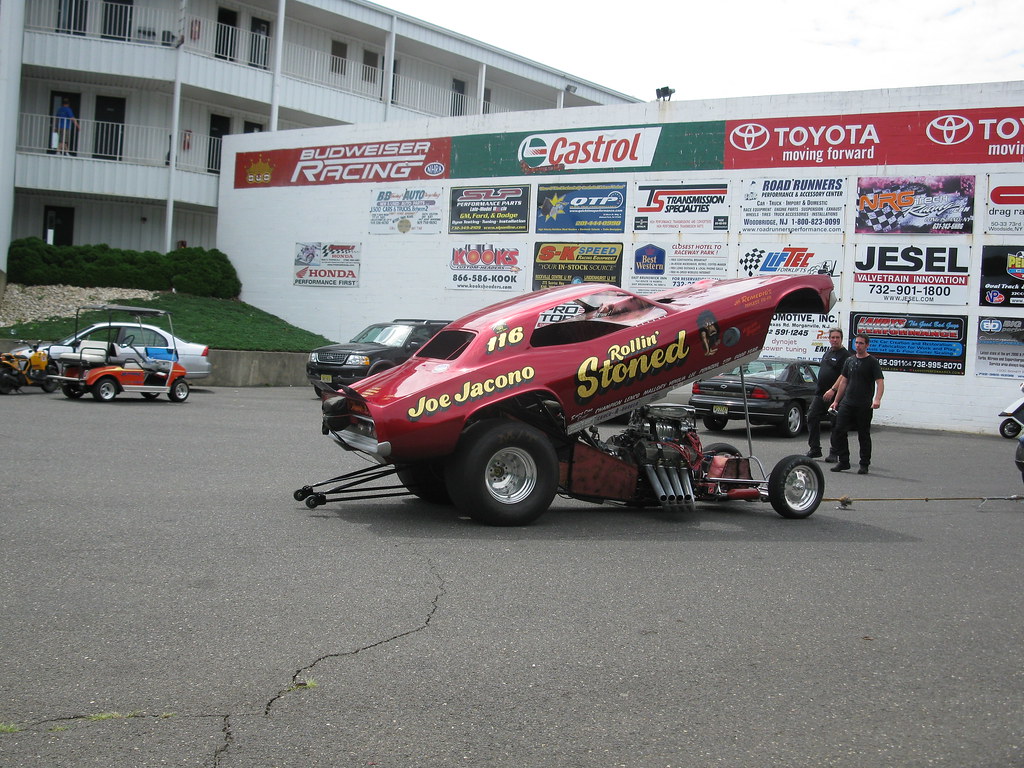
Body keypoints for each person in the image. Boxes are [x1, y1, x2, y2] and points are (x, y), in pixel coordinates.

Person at [827, 333, 884, 474]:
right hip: (847, 403)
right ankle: (844, 461)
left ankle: (864, 463)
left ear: (867, 345)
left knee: (863, 434)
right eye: (856, 343)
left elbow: (880, 382)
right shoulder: (850, 361)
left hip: (864, 404)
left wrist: (877, 399)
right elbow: (844, 381)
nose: (858, 346)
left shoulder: (872, 362)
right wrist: (836, 401)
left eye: (861, 343)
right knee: (839, 430)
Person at [806, 327, 850, 459]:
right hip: (820, 395)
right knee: (812, 417)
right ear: (829, 339)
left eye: (837, 337)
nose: (834, 340)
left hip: (835, 396)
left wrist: (833, 390)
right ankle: (815, 449)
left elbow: (843, 376)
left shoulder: (845, 356)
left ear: (841, 339)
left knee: (836, 424)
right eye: (832, 337)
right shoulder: (828, 353)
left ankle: (834, 452)